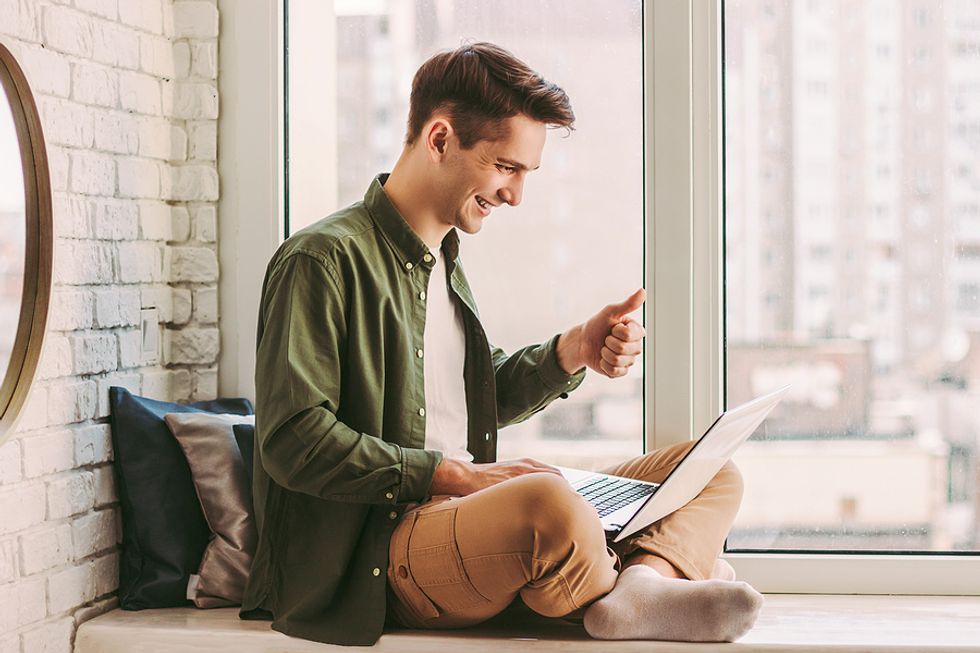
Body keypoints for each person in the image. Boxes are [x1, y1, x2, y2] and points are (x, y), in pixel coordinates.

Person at [240, 42, 764, 647]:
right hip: (383, 547)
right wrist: (454, 477)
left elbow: (462, 396)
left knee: (710, 473)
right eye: (505, 167)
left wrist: (576, 350)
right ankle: (659, 571)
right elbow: (293, 441)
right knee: (548, 503)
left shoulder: (443, 261)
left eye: (524, 174)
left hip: (466, 518)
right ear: (440, 139)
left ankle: (639, 588)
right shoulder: (322, 260)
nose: (515, 195)